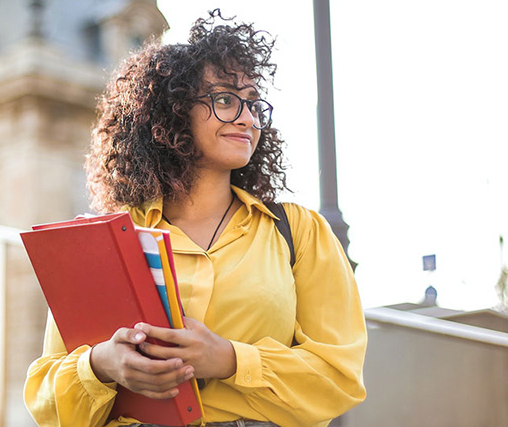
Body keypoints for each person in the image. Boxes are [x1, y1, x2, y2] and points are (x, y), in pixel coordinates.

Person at [24, 9, 367, 427]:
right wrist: (100, 365)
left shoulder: (299, 232)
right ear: (171, 112)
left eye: (254, 104)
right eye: (225, 99)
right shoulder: (109, 241)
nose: (247, 117)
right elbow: (45, 399)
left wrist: (229, 359)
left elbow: (340, 377)